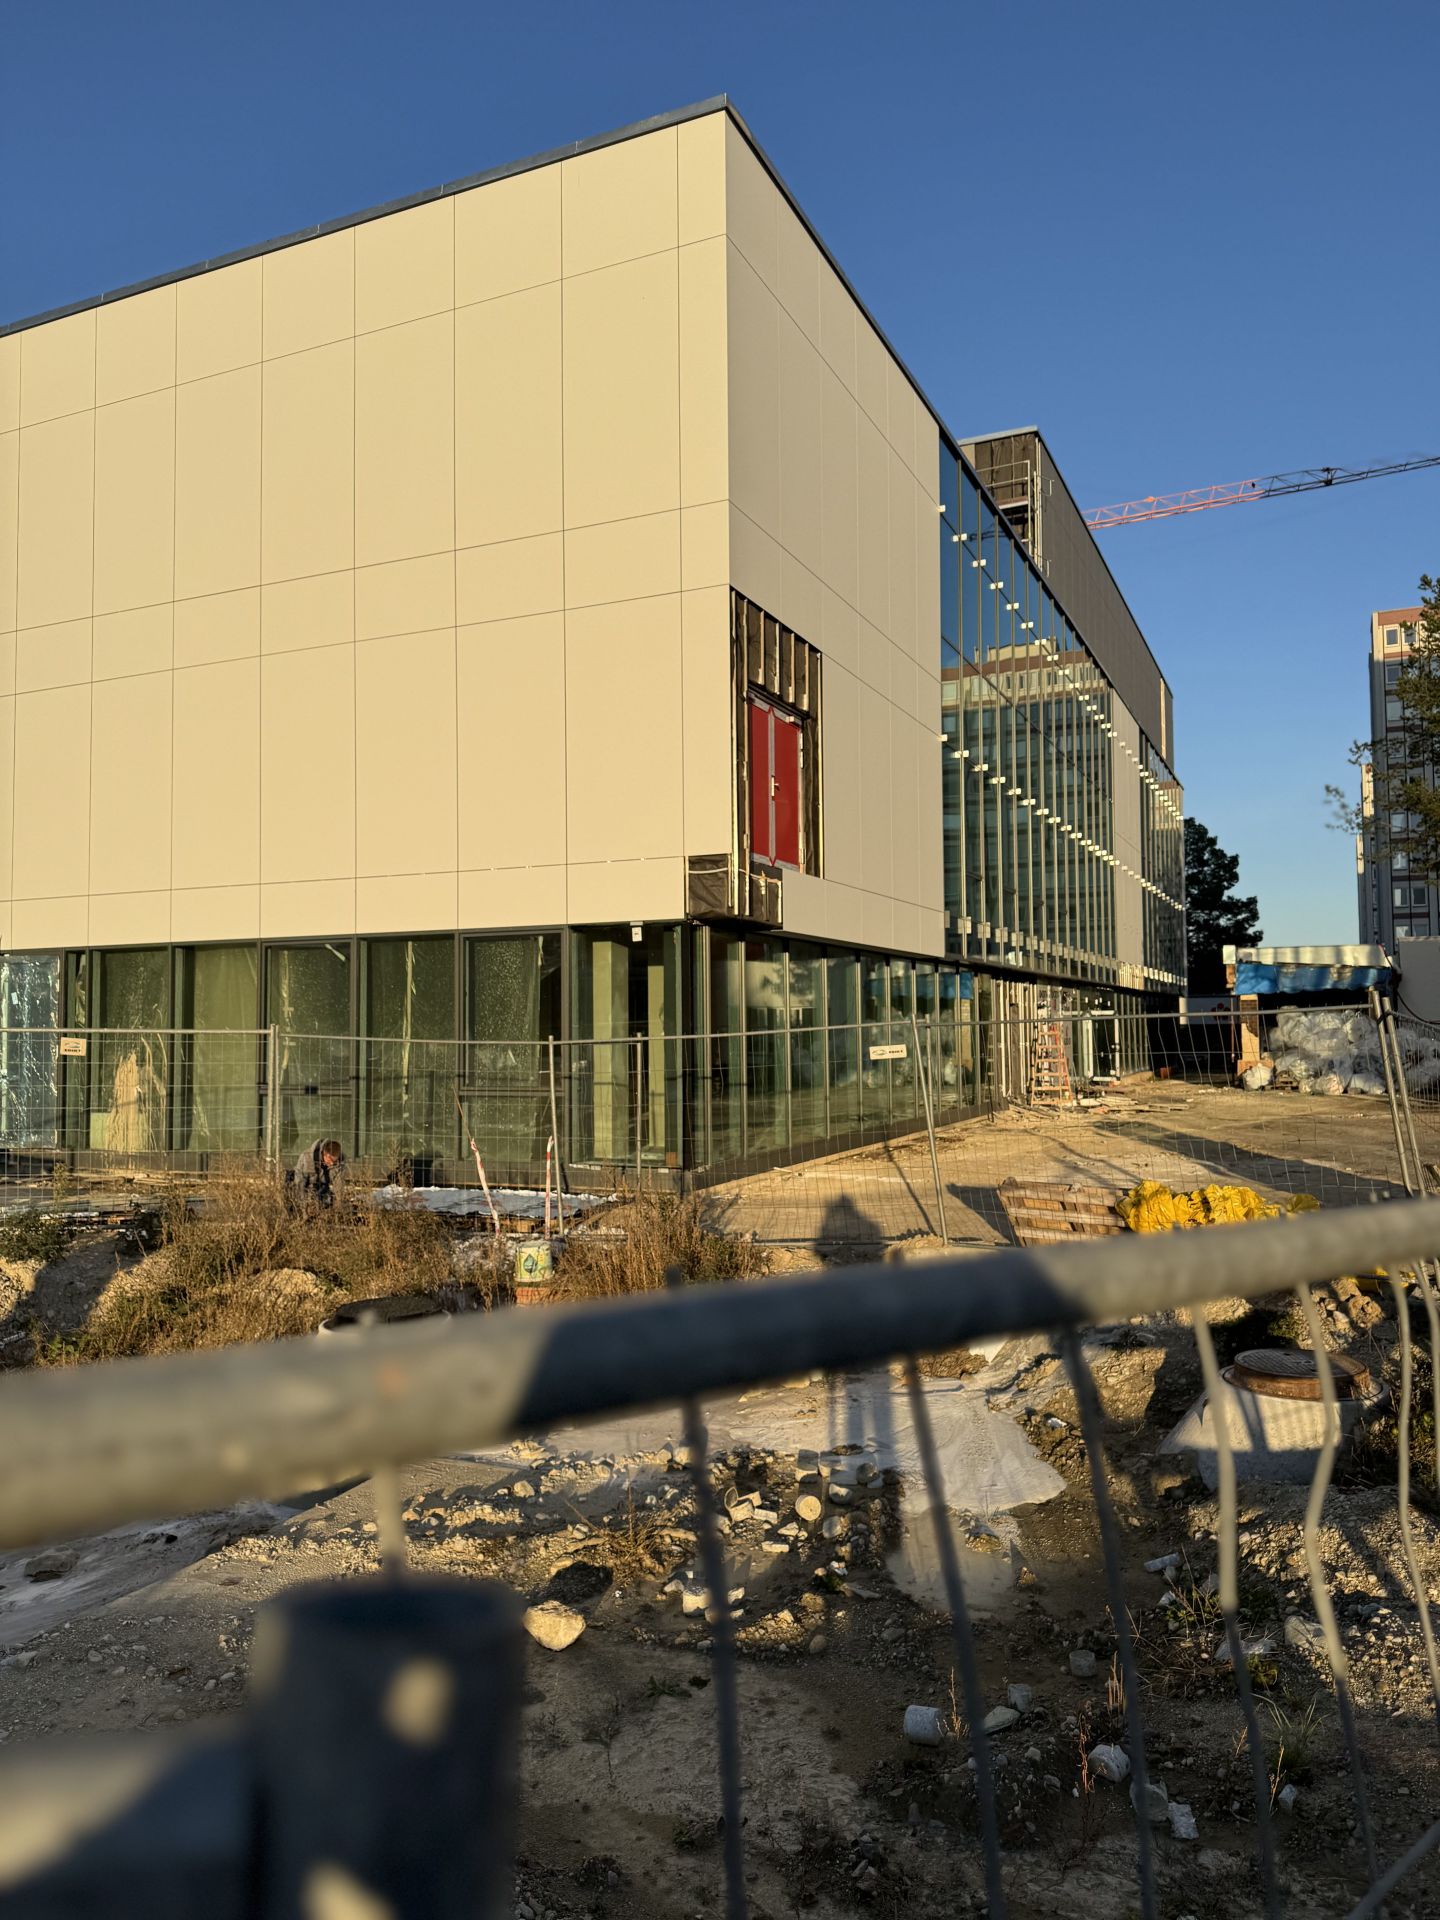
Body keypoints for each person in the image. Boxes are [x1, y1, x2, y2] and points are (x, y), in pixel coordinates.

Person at [294, 1137, 346, 1209]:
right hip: (306, 1188)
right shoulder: (306, 1158)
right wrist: (302, 1205)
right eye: (330, 1159)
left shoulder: (339, 1162)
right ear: (324, 1153)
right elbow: (300, 1183)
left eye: (334, 1161)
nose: (332, 1163)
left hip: (323, 1188)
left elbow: (339, 1184)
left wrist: (338, 1204)